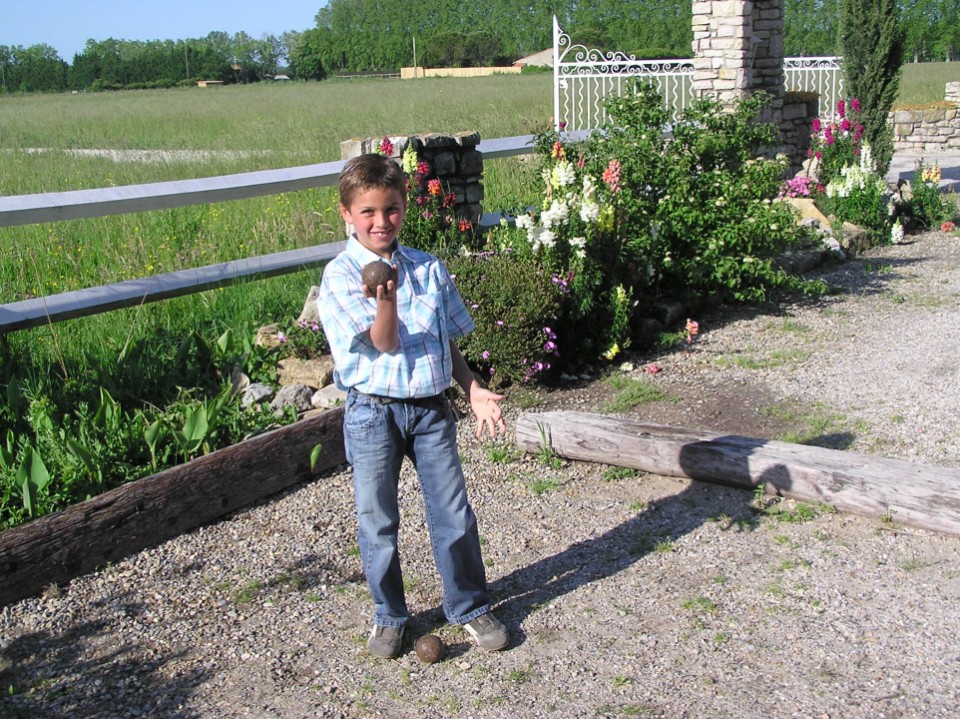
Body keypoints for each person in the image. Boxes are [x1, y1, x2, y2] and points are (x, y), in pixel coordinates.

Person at [317, 153, 509, 659]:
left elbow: (447, 341)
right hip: (372, 412)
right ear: (347, 214)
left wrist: (472, 389)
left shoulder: (428, 268)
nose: (381, 221)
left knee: (453, 512)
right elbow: (384, 343)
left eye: (392, 209)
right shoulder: (339, 277)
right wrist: (386, 298)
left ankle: (468, 604)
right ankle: (389, 615)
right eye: (368, 212)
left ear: (405, 206)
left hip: (429, 410)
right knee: (377, 520)